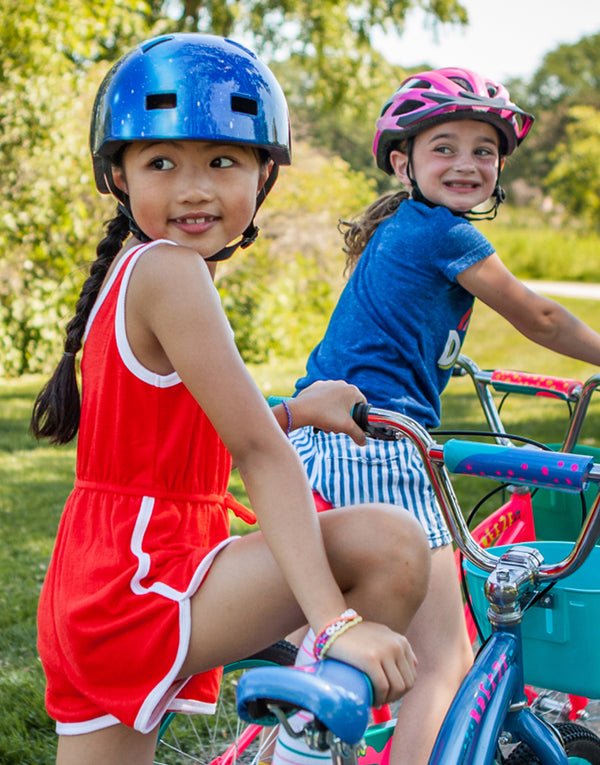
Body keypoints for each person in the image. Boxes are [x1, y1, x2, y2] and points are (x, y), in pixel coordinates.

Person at [30, 33, 430, 765]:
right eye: (161, 163)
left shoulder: (138, 268)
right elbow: (257, 453)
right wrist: (336, 624)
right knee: (392, 546)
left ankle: (299, 730)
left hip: (100, 575)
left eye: (222, 161)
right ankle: (303, 739)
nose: (195, 189)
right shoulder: (171, 271)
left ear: (262, 174)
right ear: (118, 175)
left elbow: (177, 432)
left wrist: (294, 412)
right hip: (143, 576)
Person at [288, 67, 600, 764]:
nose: (466, 163)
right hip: (378, 444)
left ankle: (299, 717)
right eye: (445, 147)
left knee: (371, 632)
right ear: (404, 163)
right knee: (444, 661)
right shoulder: (442, 232)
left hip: (327, 434)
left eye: (483, 151)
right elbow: (540, 318)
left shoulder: (402, 225)